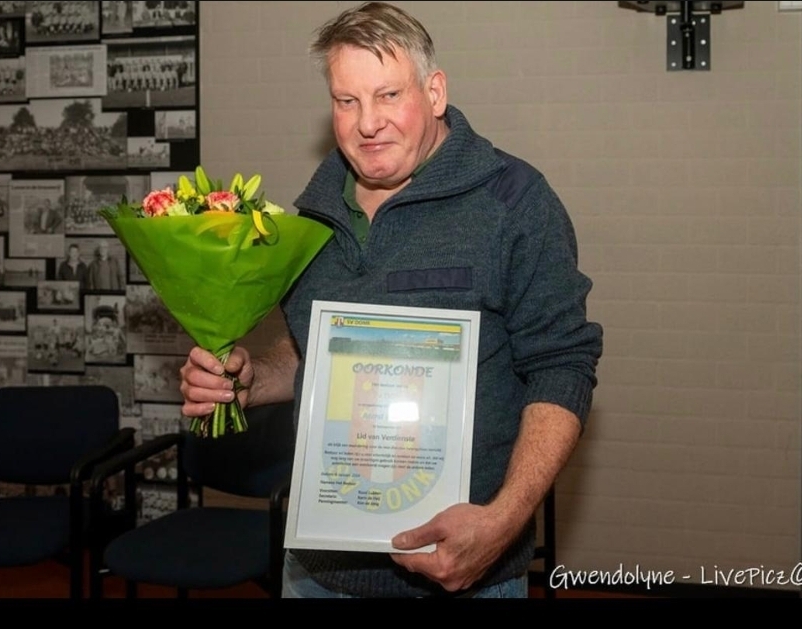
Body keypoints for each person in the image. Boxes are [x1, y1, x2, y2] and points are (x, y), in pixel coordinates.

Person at [179, 1, 603, 599]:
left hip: (465, 574)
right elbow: (313, 351)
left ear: (434, 92)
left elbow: (562, 366)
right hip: (317, 572)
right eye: (346, 101)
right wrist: (252, 379)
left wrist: (502, 521)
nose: (367, 123)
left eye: (388, 95)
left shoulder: (515, 203)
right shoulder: (311, 217)